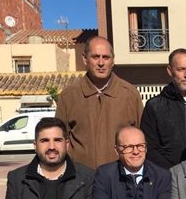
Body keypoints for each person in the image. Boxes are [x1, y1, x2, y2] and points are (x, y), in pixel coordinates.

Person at [56, 36, 144, 169]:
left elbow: (141, 140)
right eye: (95, 57)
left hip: (120, 180)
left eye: (106, 57)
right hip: (81, 180)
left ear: (113, 61)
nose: (101, 63)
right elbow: (59, 141)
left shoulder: (130, 95)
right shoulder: (69, 96)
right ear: (85, 59)